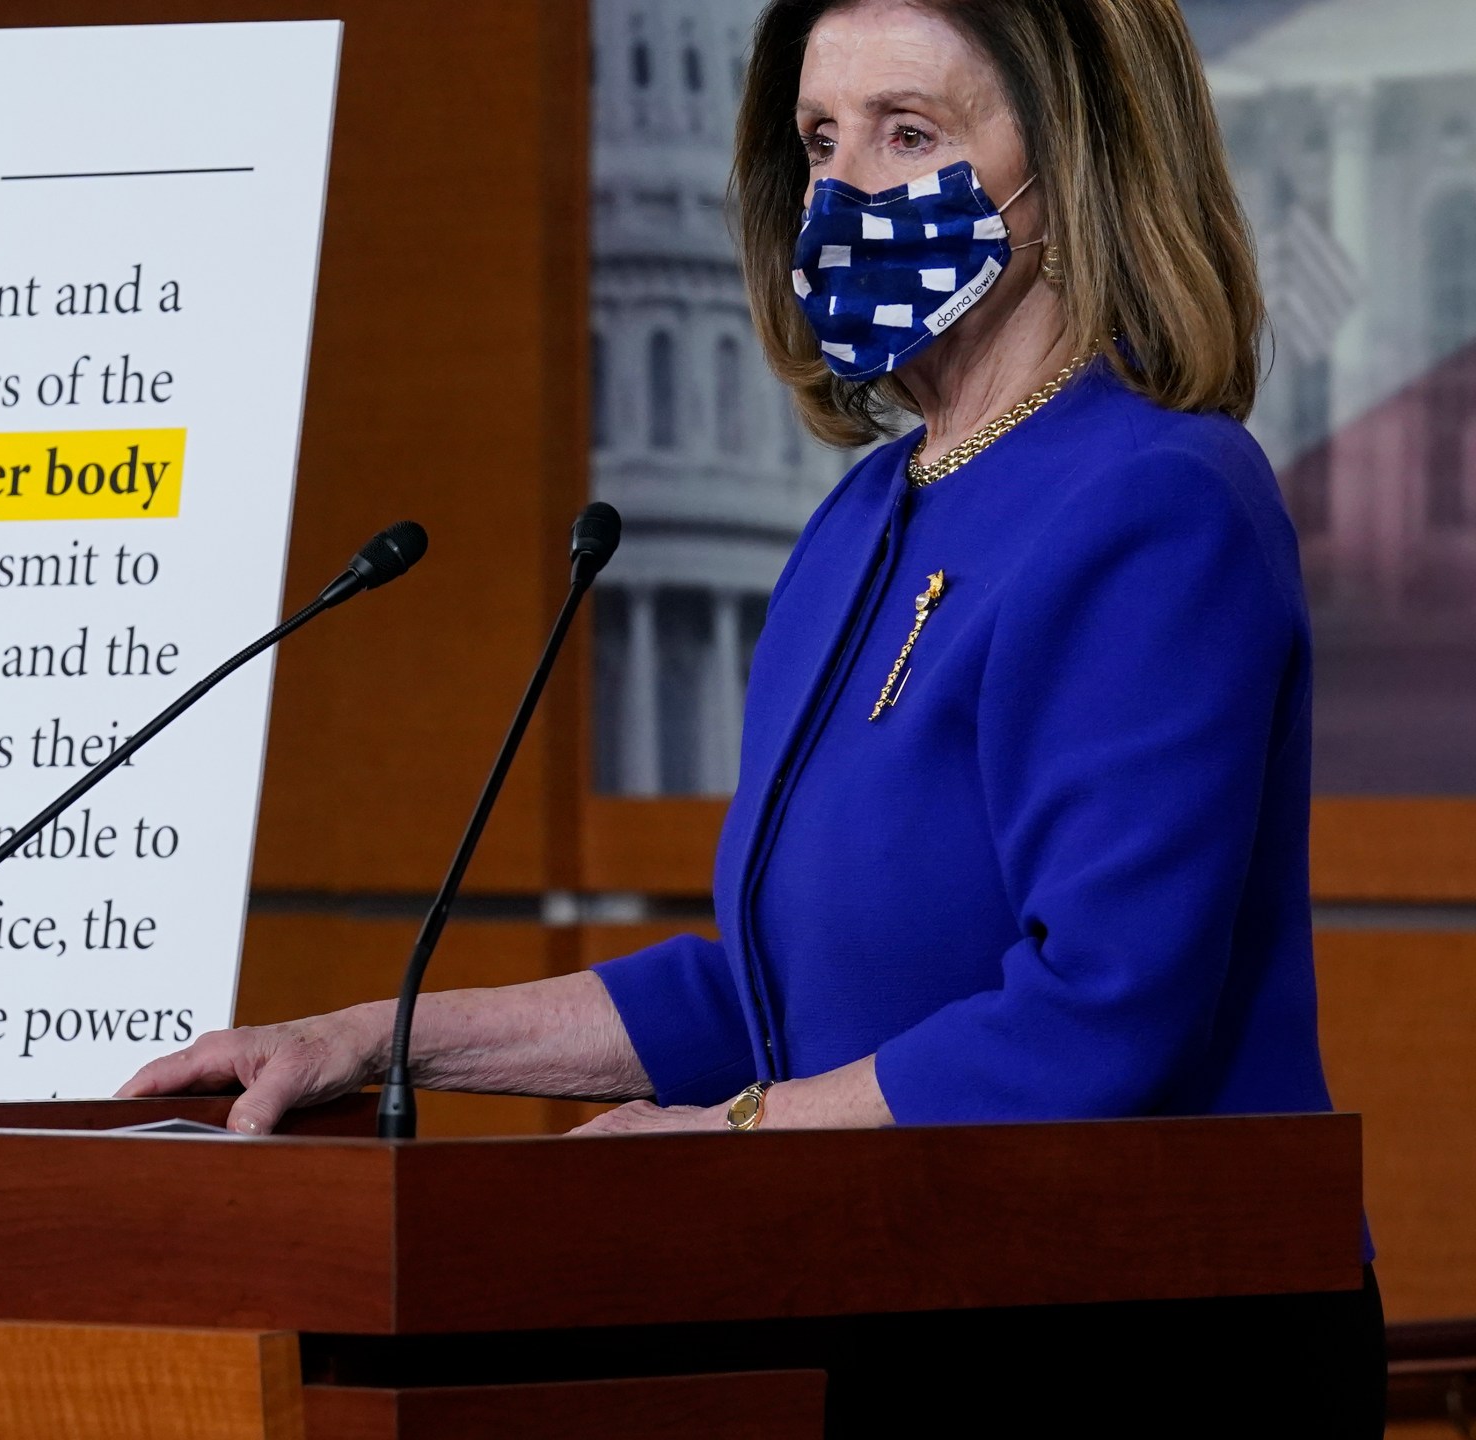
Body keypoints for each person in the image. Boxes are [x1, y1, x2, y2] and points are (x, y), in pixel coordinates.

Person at [125, 0, 1382, 1428]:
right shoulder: (861, 520)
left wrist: (728, 1138)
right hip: (890, 1311)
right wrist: (373, 1038)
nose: (843, 192)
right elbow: (773, 997)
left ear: (1072, 165)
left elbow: (1104, 1014)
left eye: (908, 134)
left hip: (1141, 1348)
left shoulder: (1157, 502)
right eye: (818, 140)